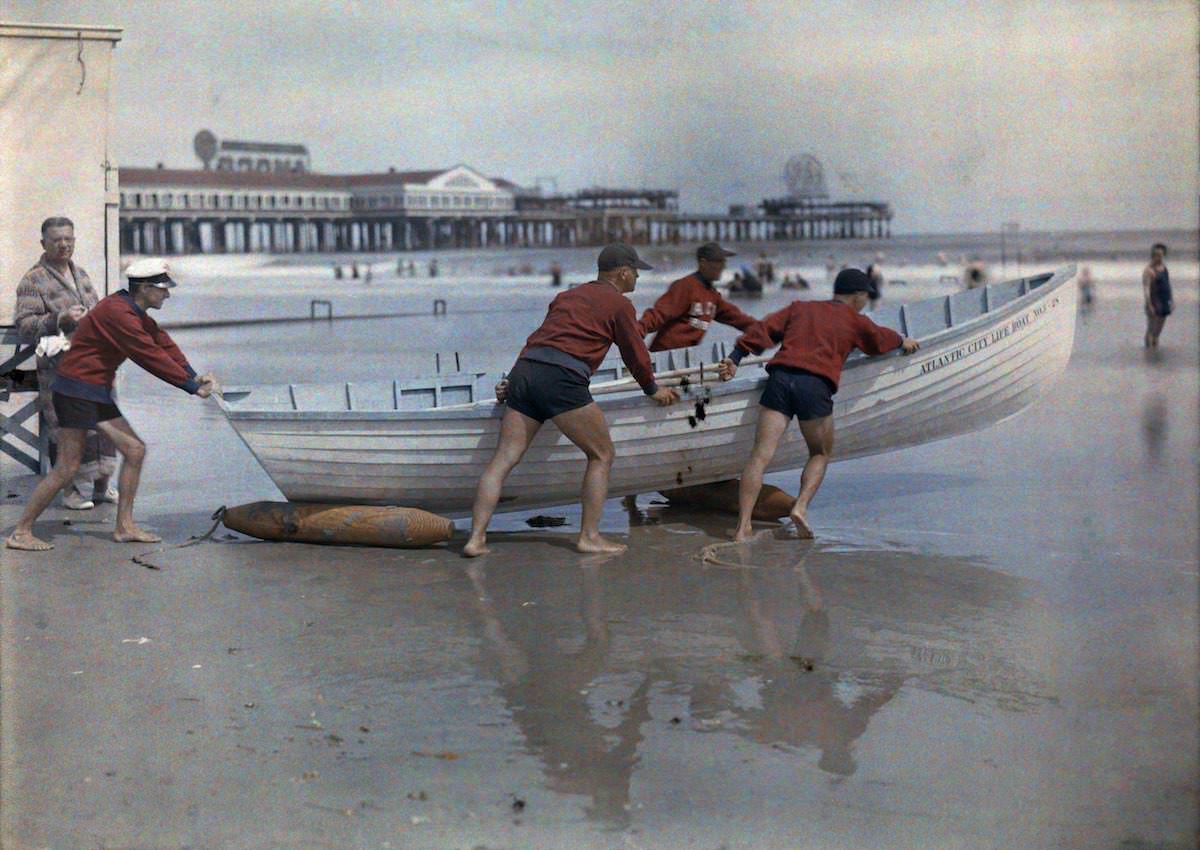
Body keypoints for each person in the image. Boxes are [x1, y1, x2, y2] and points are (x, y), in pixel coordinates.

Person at [463, 244, 679, 557]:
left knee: (503, 460)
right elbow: (635, 353)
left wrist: (511, 382)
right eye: (635, 272)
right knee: (602, 454)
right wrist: (651, 389)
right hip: (561, 379)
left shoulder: (566, 296)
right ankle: (589, 537)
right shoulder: (620, 304)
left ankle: (475, 540)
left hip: (525, 372)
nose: (637, 278)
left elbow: (539, 338)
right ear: (623, 272)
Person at [5, 259, 218, 551]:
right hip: (76, 391)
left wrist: (193, 374)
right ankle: (21, 532)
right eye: (162, 289)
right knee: (67, 467)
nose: (167, 294)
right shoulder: (120, 314)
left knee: (134, 450)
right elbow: (148, 355)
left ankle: (124, 527)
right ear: (144, 288)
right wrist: (192, 388)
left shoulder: (130, 308)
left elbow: (161, 342)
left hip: (93, 391)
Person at [718, 268, 919, 541]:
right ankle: (799, 507)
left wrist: (736, 356)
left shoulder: (800, 308)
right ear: (857, 295)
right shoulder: (855, 321)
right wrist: (902, 340)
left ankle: (743, 528)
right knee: (820, 452)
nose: (865, 302)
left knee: (760, 455)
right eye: (865, 297)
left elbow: (763, 330)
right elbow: (879, 339)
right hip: (814, 385)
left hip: (780, 379)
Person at [13, 216, 117, 510]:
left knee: (104, 422)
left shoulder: (80, 273)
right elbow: (24, 325)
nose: (63, 245)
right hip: (61, 368)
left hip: (95, 364)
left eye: (68, 239)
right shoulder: (32, 280)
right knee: (68, 427)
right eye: (57, 239)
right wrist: (60, 318)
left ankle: (101, 485)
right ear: (43, 243)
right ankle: (71, 490)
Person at [638, 242, 757, 352]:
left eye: (724, 262)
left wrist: (767, 330)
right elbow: (659, 314)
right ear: (703, 263)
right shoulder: (685, 286)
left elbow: (737, 318)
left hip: (689, 356)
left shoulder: (712, 295)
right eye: (718, 262)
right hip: (664, 354)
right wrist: (637, 331)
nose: (723, 266)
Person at [1143, 243, 1172, 348]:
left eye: (1161, 255)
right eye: (1156, 255)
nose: (1159, 257)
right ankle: (1148, 349)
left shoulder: (1164, 268)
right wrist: (1149, 304)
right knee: (1151, 327)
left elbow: (1168, 284)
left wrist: (1171, 300)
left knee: (1160, 327)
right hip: (1154, 301)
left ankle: (1155, 346)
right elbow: (1146, 288)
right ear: (1153, 255)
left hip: (1164, 300)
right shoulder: (1149, 270)